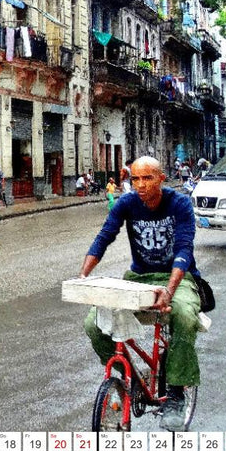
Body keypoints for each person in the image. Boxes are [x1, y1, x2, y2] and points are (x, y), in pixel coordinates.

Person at [79, 156, 202, 432]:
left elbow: (185, 248)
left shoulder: (179, 203)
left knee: (182, 315)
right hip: (139, 277)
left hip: (177, 279)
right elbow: (104, 237)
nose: (141, 185)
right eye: (135, 179)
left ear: (161, 178)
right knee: (94, 324)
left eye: (148, 178)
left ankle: (176, 394)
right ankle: (130, 379)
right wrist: (83, 277)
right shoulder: (126, 203)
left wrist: (170, 290)